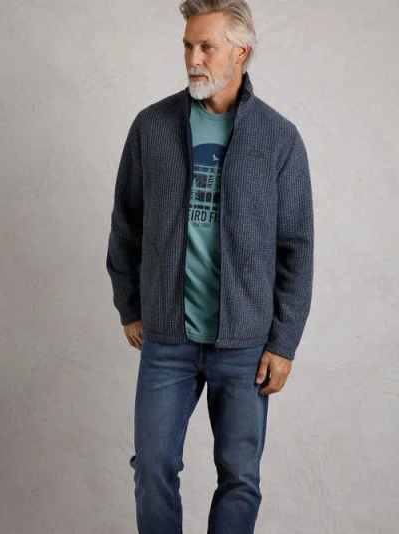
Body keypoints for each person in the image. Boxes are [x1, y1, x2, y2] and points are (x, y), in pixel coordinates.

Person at [105, 1, 314, 532]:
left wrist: (283, 342)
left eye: (206, 47)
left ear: (240, 52)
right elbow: (126, 222)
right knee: (152, 468)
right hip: (167, 339)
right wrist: (130, 305)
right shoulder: (152, 127)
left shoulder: (278, 139)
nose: (193, 59)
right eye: (187, 46)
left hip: (245, 346)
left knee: (240, 477)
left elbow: (296, 247)